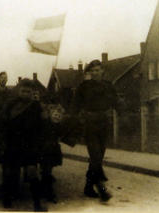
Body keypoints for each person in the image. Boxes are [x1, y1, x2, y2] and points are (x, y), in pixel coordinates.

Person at [71, 59, 118, 202]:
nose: (95, 73)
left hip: (104, 124)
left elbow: (116, 101)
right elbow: (75, 105)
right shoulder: (84, 86)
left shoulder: (109, 86)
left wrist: (124, 113)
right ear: (90, 73)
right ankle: (102, 189)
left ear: (102, 71)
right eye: (93, 71)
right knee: (96, 155)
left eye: (98, 70)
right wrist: (74, 119)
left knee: (98, 157)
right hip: (90, 124)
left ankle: (88, 186)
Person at [0, 79, 47, 211]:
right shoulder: (10, 104)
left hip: (29, 145)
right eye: (23, 91)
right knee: (9, 173)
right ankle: (6, 201)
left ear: (32, 92)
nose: (25, 93)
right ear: (19, 90)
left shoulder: (36, 106)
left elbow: (41, 127)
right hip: (12, 144)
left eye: (28, 91)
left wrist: (38, 144)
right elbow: (1, 123)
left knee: (32, 173)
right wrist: (3, 142)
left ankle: (37, 205)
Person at [40, 104, 65, 204]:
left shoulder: (59, 126)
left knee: (48, 170)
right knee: (46, 170)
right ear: (50, 114)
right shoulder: (45, 124)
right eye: (55, 114)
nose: (56, 117)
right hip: (44, 150)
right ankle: (48, 192)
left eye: (59, 116)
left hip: (53, 150)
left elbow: (60, 136)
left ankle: (44, 189)